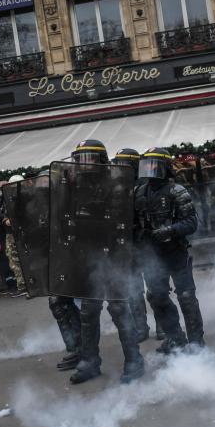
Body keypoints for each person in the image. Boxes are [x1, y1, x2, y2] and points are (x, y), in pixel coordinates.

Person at [67, 138, 144, 385]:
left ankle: (134, 360)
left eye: (89, 158)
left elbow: (123, 223)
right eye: (80, 159)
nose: (84, 164)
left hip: (113, 258)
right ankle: (90, 362)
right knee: (88, 313)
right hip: (88, 259)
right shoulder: (74, 188)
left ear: (101, 160)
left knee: (120, 310)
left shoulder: (117, 185)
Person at [134, 147, 205, 353]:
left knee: (186, 297)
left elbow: (192, 223)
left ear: (165, 167)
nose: (150, 169)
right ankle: (175, 337)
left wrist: (170, 230)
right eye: (147, 165)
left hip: (175, 252)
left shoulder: (177, 191)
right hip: (152, 256)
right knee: (157, 297)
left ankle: (197, 342)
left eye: (155, 165)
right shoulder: (139, 192)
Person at [113, 147, 157, 342]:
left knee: (155, 288)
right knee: (133, 290)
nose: (118, 168)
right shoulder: (115, 187)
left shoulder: (146, 185)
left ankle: (163, 326)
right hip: (126, 246)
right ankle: (141, 327)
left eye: (122, 163)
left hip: (145, 243)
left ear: (131, 164)